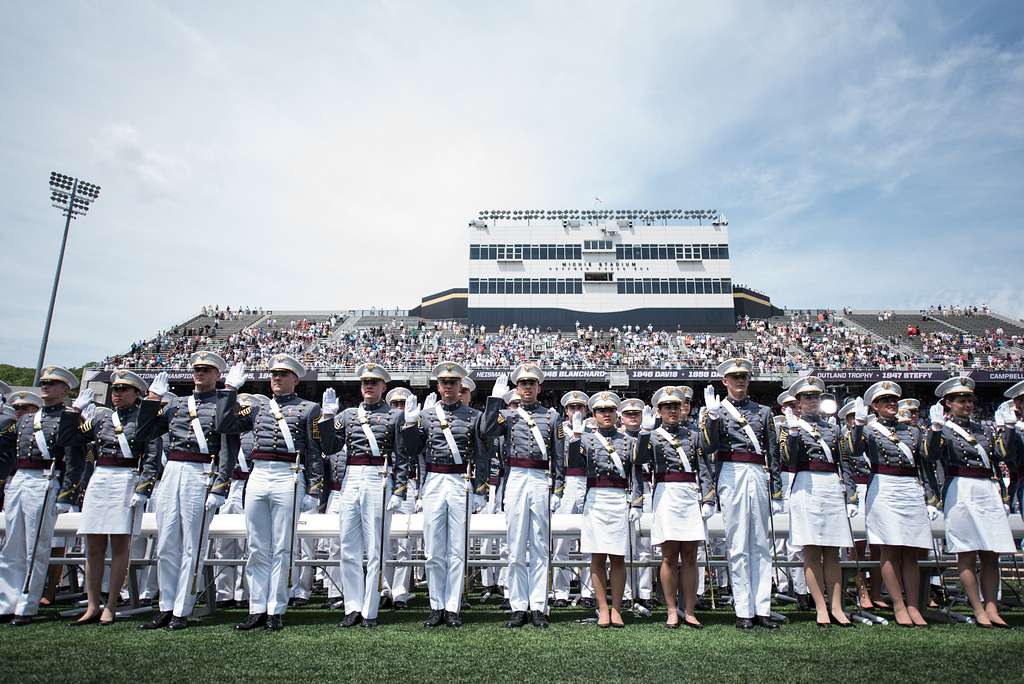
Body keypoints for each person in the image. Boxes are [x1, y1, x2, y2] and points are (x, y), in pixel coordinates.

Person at [214, 354, 339, 632]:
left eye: (283, 375)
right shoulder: (257, 408)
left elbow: (314, 452)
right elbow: (224, 425)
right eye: (274, 374)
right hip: (258, 474)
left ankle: (276, 608)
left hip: (289, 475)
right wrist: (229, 391)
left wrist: (314, 488)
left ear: (295, 379)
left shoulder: (308, 409)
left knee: (283, 547)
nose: (277, 379)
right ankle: (256, 607)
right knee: (257, 546)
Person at [140, 353, 237, 630]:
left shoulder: (223, 403)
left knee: (192, 543)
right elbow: (145, 432)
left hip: (201, 471)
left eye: (206, 370)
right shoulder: (176, 404)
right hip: (172, 470)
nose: (200, 374)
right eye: (197, 369)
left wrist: (221, 484)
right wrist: (151, 399)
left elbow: (229, 447)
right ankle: (166, 605)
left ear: (217, 374)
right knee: (167, 540)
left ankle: (183, 607)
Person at [58, 369, 160, 626]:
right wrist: (73, 412)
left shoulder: (144, 419)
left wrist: (143, 489)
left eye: (124, 390)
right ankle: (92, 604)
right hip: (100, 479)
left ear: (137, 394)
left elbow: (151, 458)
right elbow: (67, 439)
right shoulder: (102, 420)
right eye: (115, 389)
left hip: (125, 479)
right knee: (93, 546)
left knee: (119, 547)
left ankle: (111, 604)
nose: (117, 394)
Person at [400, 362, 490, 628]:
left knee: (457, 549)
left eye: (453, 382)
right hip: (434, 480)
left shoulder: (473, 415)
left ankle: (452, 606)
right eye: (444, 382)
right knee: (433, 550)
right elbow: (412, 450)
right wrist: (408, 424)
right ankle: (436, 605)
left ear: (460, 385)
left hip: (460, 480)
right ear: (438, 386)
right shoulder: (427, 416)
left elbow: (482, 455)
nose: (448, 386)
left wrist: (480, 489)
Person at [700, 358, 783, 630]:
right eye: (733, 377)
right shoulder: (716, 410)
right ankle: (743, 609)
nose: (739, 381)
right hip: (730, 473)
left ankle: (763, 608)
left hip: (757, 473)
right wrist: (711, 419)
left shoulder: (763, 411)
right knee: (737, 543)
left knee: (760, 542)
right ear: (724, 381)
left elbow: (773, 451)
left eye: (743, 377)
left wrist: (778, 490)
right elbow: (708, 448)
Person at [927, 376, 1016, 628]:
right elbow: (931, 456)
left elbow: (1002, 455)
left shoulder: (984, 429)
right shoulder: (943, 429)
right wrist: (934, 431)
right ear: (948, 404)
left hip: (987, 489)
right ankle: (977, 608)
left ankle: (992, 606)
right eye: (961, 400)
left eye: (969, 400)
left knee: (991, 553)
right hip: (961, 489)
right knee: (966, 552)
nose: (967, 405)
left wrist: (1008, 428)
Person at [0, 367, 84, 625]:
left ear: (65, 390)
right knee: (11, 545)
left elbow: (74, 460)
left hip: (45, 481)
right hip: (20, 480)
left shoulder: (69, 419)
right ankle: (6, 603)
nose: (45, 386)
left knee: (35, 547)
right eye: (44, 382)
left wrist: (67, 494)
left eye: (52, 383)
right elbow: (11, 455)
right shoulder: (25, 420)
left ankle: (26, 604)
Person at [850, 380, 937, 627]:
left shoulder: (913, 431)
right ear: (874, 406)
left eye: (893, 400)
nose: (891, 404)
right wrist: (857, 425)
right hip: (884, 487)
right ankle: (898, 605)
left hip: (909, 488)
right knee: (888, 548)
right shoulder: (869, 429)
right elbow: (855, 451)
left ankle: (913, 604)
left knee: (910, 551)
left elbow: (926, 463)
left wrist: (932, 498)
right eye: (885, 401)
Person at [484, 364, 564, 629]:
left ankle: (539, 606)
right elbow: (486, 431)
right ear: (516, 388)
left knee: (540, 545)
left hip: (540, 479)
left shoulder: (551, 417)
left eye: (532, 383)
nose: (527, 388)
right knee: (516, 544)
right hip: (516, 477)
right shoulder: (507, 415)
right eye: (523, 383)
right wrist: (494, 402)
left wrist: (558, 490)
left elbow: (559, 458)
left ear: (538, 387)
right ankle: (518, 605)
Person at [333, 363, 410, 629]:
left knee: (375, 548)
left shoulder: (394, 416)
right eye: (365, 381)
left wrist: (399, 489)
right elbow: (330, 446)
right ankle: (352, 606)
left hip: (379, 476)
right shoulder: (348, 415)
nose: (369, 385)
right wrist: (326, 419)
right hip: (352, 477)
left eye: (374, 382)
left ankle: (370, 609)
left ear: (383, 387)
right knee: (348, 546)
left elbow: (402, 456)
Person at [635, 386, 714, 629]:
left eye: (676, 406)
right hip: (666, 494)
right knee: (669, 556)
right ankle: (671, 609)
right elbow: (639, 461)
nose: (672, 410)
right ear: (658, 411)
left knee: (690, 556)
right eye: (667, 407)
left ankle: (689, 610)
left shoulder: (693, 435)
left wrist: (708, 497)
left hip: (689, 494)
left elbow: (705, 465)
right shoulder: (654, 435)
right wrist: (644, 433)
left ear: (682, 409)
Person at [780, 376, 856, 627]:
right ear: (798, 403)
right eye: (807, 397)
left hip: (830, 486)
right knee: (811, 551)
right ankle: (820, 608)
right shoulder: (792, 426)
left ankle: (836, 607)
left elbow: (845, 462)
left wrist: (851, 493)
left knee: (833, 551)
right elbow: (789, 461)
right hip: (806, 485)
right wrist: (792, 434)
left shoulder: (833, 428)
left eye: (815, 397)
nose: (812, 401)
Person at [566, 391, 642, 628]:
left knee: (618, 557)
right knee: (597, 555)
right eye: (601, 411)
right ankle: (602, 608)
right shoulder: (587, 440)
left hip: (619, 498)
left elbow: (635, 474)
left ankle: (617, 608)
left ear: (616, 413)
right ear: (594, 415)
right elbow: (574, 465)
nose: (606, 414)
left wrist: (637, 502)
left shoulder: (629, 440)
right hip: (596, 499)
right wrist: (576, 438)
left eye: (610, 410)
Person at [213, 393, 262, 608]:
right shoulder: (224, 429)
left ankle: (244, 592)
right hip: (228, 484)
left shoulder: (257, 431)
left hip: (249, 484)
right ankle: (223, 592)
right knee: (223, 542)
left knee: (247, 541)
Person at [551, 391, 592, 608]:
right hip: (567, 483)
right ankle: (560, 592)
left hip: (589, 483)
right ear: (565, 411)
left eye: (580, 407)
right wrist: (556, 491)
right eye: (572, 407)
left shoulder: (592, 430)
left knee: (589, 541)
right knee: (561, 541)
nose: (576, 411)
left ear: (586, 410)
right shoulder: (558, 431)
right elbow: (556, 461)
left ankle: (588, 590)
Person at [772, 390, 808, 607]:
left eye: (796, 405)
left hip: (805, 478)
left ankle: (802, 589)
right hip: (785, 479)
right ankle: (783, 585)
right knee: (781, 540)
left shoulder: (811, 427)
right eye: (789, 406)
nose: (793, 409)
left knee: (801, 540)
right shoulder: (778, 429)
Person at [618, 398, 654, 613]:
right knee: (624, 547)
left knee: (645, 547)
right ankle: (627, 593)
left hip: (647, 490)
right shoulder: (618, 438)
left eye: (636, 414)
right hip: (624, 491)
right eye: (628, 414)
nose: (633, 417)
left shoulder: (651, 436)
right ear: (621, 417)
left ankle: (646, 592)